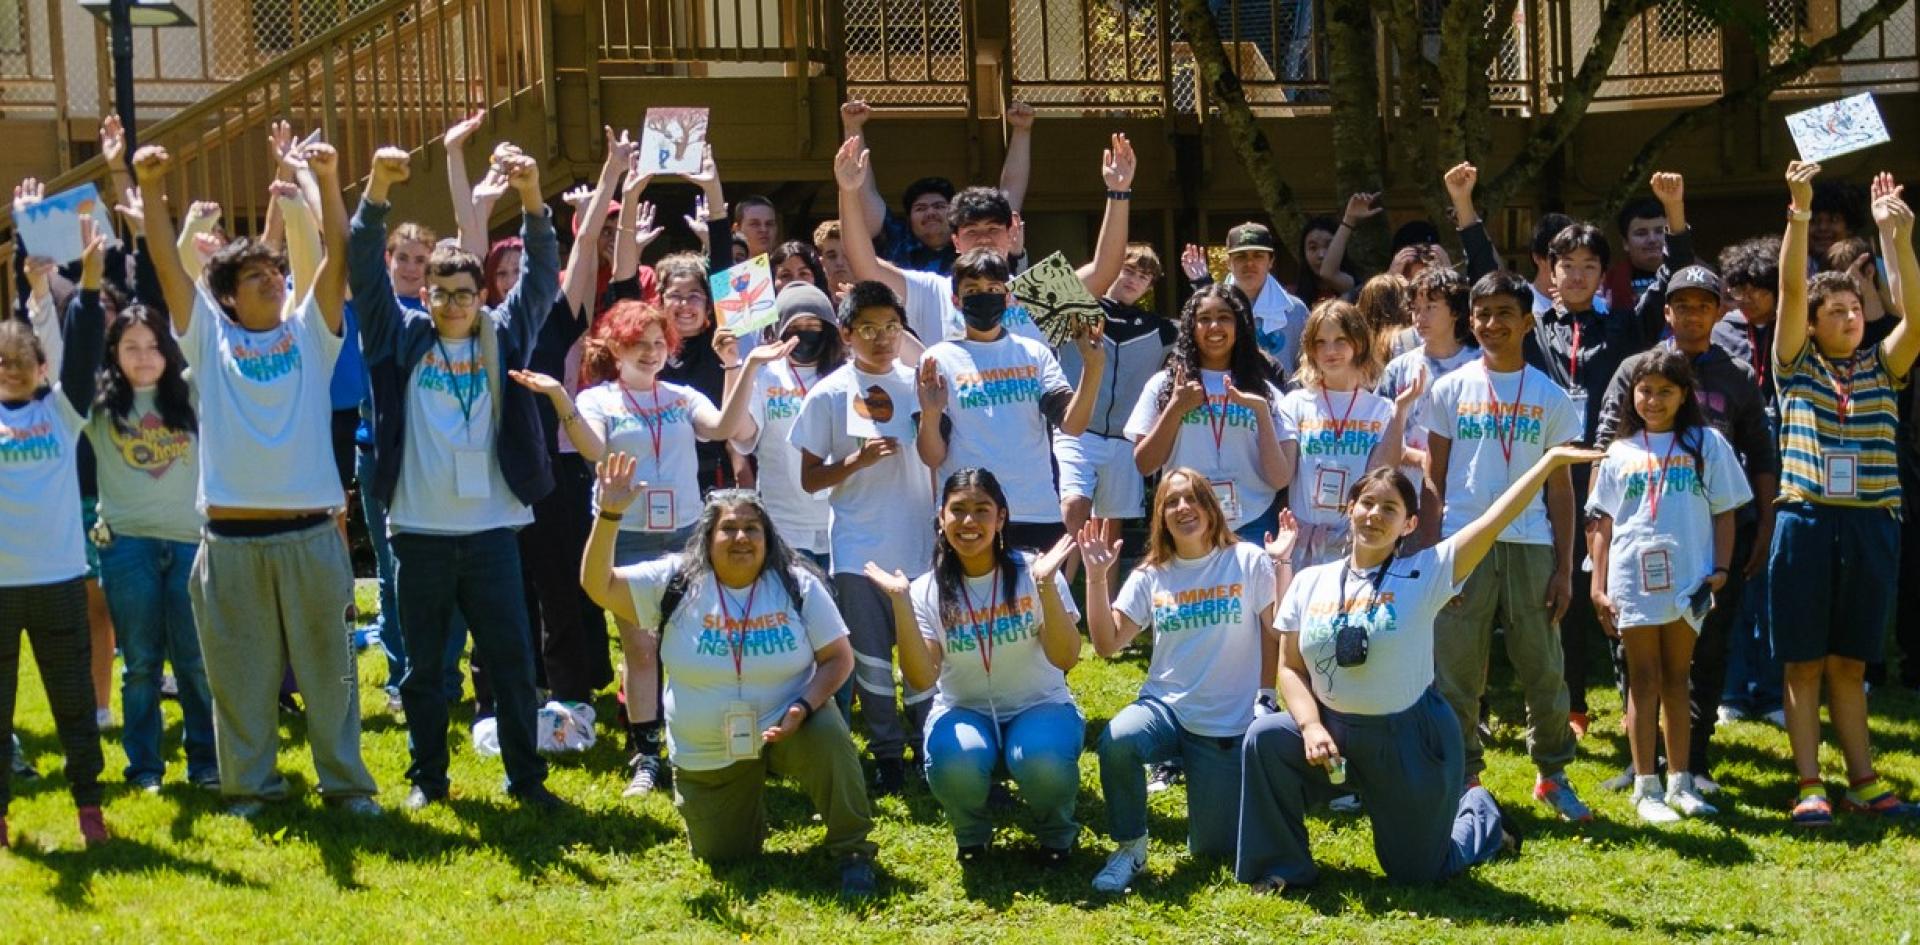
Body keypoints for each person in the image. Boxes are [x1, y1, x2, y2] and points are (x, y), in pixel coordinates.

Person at [134, 141, 383, 817]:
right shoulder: (208, 341)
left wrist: (326, 179)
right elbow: (165, 263)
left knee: (331, 673)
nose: (275, 283)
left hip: (310, 536)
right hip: (232, 540)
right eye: (257, 280)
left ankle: (347, 786)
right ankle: (252, 787)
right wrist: (150, 189)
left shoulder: (311, 332)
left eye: (277, 275)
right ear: (227, 298)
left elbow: (336, 253)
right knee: (240, 677)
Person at [1235, 447, 1599, 892]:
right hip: (1332, 732)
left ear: (1409, 524)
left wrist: (1547, 466)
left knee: (1416, 873)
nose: (1374, 514)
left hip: (1409, 737)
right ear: (1349, 510)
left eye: (1390, 508)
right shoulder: (1311, 580)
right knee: (1265, 738)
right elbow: (1290, 668)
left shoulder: (1426, 572)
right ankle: (1284, 866)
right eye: (1367, 503)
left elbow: (1492, 522)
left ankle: (1481, 815)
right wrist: (1310, 726)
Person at [352, 144, 568, 811]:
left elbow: (540, 279)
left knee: (512, 664)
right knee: (423, 670)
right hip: (417, 532)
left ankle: (527, 779)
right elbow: (363, 270)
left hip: (493, 532)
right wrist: (377, 191)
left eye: (464, 294)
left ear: (480, 297)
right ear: (424, 293)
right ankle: (427, 779)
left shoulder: (503, 335)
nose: (452, 305)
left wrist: (533, 199)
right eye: (441, 293)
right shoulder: (403, 337)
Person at [583, 461, 879, 897]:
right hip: (708, 747)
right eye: (729, 529)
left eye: (752, 529)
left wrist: (803, 707)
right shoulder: (677, 581)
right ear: (708, 537)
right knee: (724, 855)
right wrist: (608, 516)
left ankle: (854, 851)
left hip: (789, 723)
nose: (741, 538)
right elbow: (597, 585)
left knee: (831, 735)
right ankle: (743, 806)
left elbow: (838, 658)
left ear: (768, 538)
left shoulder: (797, 584)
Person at [513, 299, 766, 797]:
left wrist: (748, 367)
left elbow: (723, 428)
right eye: (639, 343)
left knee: (694, 643)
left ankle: (695, 746)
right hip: (625, 536)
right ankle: (647, 756)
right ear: (615, 347)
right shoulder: (598, 399)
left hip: (687, 535)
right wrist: (560, 398)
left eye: (658, 343)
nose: (651, 353)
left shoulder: (679, 395)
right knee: (642, 648)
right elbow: (591, 448)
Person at [1769, 164, 1920, 825]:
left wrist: (1899, 240)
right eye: (1836, 310)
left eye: (1857, 308)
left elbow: (1916, 314)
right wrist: (1799, 212)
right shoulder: (1795, 361)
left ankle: (1863, 779)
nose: (1852, 316)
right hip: (1805, 517)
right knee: (1804, 661)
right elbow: (1788, 289)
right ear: (1813, 321)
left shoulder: (1884, 364)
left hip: (1871, 522)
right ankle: (1810, 781)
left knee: (1852, 660)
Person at [1593, 265, 1778, 793]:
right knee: (1637, 660)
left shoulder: (1738, 373)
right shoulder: (1635, 368)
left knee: (1707, 652)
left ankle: (1692, 763)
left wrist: (1761, 526)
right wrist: (1595, 548)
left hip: (1710, 540)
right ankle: (1641, 763)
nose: (1693, 314)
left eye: (1704, 305)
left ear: (1719, 313)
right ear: (1667, 311)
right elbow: (1605, 448)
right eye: (1683, 305)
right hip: (1636, 539)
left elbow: (1761, 457)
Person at [1421, 271, 1590, 823]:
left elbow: (1562, 489)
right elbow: (1433, 478)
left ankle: (1552, 773)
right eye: (1482, 314)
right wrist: (1425, 555)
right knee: (1458, 669)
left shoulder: (1551, 397)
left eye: (1503, 314)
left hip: (1531, 543)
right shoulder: (1448, 390)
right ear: (1471, 321)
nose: (1492, 324)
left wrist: (1565, 568)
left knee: (1542, 664)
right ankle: (1464, 774)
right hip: (1463, 542)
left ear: (1525, 321)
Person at [1080, 469, 1282, 894]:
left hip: (1227, 723)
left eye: (1191, 498)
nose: (1182, 508)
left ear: (1210, 507)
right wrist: (1097, 578)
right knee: (1118, 740)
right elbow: (1105, 643)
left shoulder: (1247, 560)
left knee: (1212, 850)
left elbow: (1275, 631)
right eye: (1171, 502)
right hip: (1166, 707)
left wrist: (1265, 693)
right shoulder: (1152, 574)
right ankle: (1130, 847)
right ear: (1161, 516)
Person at [868, 468, 1083, 865]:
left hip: (1040, 704)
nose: (969, 522)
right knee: (955, 758)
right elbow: (921, 677)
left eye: (982, 510)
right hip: (964, 710)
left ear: (1001, 517)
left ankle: (1056, 833)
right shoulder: (924, 590)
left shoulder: (1034, 573)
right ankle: (971, 834)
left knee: (1041, 757)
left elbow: (1066, 657)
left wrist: (1046, 587)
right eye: (958, 510)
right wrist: (900, 604)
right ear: (941, 518)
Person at [1587, 350, 1751, 822]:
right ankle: (1646, 786)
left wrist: (1719, 568)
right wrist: (1598, 585)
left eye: (1665, 391)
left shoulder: (1708, 444)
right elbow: (1602, 521)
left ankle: (1680, 782)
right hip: (1632, 582)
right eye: (1645, 390)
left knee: (1679, 677)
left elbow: (1725, 510)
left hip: (1688, 578)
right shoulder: (1619, 452)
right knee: (1642, 679)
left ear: (1684, 395)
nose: (1653, 400)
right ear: (1631, 395)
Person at [788, 281, 937, 795]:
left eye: (891, 328)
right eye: (869, 329)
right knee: (871, 660)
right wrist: (856, 461)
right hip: (858, 549)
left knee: (924, 654)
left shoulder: (922, 383)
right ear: (847, 333)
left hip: (919, 543)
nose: (882, 339)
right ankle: (888, 757)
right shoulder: (829, 392)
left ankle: (930, 747)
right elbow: (809, 478)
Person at [0, 221, 110, 846]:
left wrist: (90, 280)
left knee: (73, 704)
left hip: (59, 581)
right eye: (0, 361)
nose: (11, 369)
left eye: (23, 360)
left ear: (43, 367)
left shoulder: (62, 412)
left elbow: (88, 343)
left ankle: (89, 808)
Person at [835, 127, 1134, 346]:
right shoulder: (933, 291)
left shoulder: (1035, 292)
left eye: (993, 230)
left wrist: (1118, 193)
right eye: (972, 232)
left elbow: (1105, 269)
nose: (984, 239)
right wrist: (848, 191)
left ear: (1011, 232)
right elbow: (866, 267)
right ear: (956, 241)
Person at [86, 303, 218, 794]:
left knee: (194, 661)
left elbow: (206, 330)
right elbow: (61, 355)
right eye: (130, 347)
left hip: (190, 544)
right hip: (126, 548)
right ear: (114, 354)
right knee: (140, 663)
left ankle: (205, 761)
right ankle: (144, 769)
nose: (143, 358)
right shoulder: (98, 406)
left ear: (168, 350)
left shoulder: (193, 393)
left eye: (152, 346)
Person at [915, 249, 1105, 552]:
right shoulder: (936, 359)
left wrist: (1093, 367)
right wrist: (931, 412)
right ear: (956, 300)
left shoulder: (1034, 352)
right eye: (972, 291)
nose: (983, 296)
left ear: (1007, 297)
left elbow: (1072, 424)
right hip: (968, 515)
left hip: (1036, 510)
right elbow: (932, 457)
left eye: (993, 290)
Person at [1126, 284, 1288, 542]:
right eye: (1204, 319)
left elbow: (1280, 478)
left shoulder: (1263, 391)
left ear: (1239, 327)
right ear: (1191, 327)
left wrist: (1260, 411)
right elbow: (1145, 464)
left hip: (1253, 521)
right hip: (1186, 521)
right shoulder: (1164, 386)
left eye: (1224, 318)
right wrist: (1176, 408)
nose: (1214, 326)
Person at [1277, 299, 1417, 568]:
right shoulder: (1294, 404)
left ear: (1359, 343)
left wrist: (1400, 412)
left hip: (1359, 540)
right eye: (1320, 342)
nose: (1331, 350)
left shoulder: (1382, 409)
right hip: (1304, 544)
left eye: (1340, 340)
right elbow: (1282, 476)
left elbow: (1380, 475)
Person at [1054, 243, 1176, 541]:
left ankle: (1101, 588)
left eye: (1144, 276)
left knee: (1110, 529)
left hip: (1124, 438)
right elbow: (1039, 294)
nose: (1134, 280)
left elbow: (1208, 325)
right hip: (1076, 430)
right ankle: (1058, 583)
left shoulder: (1159, 329)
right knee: (1073, 506)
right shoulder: (1078, 311)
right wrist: (1018, 254)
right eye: (1128, 270)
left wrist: (1200, 281)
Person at [728, 283, 843, 567]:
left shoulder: (846, 374)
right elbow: (740, 434)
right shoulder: (765, 376)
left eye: (813, 326)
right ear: (779, 330)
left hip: (840, 520)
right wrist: (735, 366)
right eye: (795, 327)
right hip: (785, 524)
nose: (804, 335)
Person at [1377, 267, 1478, 489]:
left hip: (1465, 486)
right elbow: (1377, 435)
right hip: (1408, 488)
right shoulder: (1398, 369)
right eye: (1416, 309)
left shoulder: (1480, 365)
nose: (1420, 318)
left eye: (1431, 308)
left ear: (1456, 311)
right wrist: (1420, 458)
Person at [1185, 223, 1310, 375]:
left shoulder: (1296, 311)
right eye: (1241, 256)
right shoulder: (1210, 312)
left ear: (1270, 261)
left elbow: (1307, 369)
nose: (1249, 263)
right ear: (1229, 262)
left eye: (1258, 255)